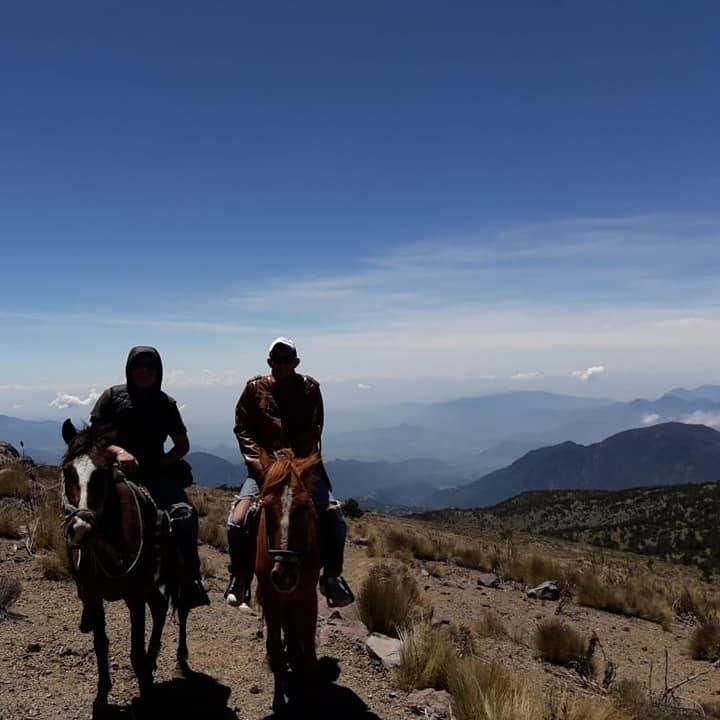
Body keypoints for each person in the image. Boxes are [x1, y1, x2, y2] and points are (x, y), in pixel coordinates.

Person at [225, 337, 354, 609]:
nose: (281, 365)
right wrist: (265, 466)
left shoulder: (309, 389)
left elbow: (314, 428)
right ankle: (241, 576)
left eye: (287, 360)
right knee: (237, 521)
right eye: (277, 360)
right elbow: (243, 429)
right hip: (263, 470)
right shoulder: (254, 389)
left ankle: (331, 577)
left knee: (334, 518)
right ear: (269, 362)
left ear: (296, 362)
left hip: (303, 468)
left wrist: (294, 463)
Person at [90, 346, 210, 609]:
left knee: (184, 516)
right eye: (138, 365)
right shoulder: (111, 397)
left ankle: (190, 580)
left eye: (150, 366)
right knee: (83, 517)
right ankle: (86, 585)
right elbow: (95, 438)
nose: (144, 370)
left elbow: (182, 445)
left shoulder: (166, 404)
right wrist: (120, 452)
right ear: (129, 368)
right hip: (113, 474)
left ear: (158, 372)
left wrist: (160, 462)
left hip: (155, 476)